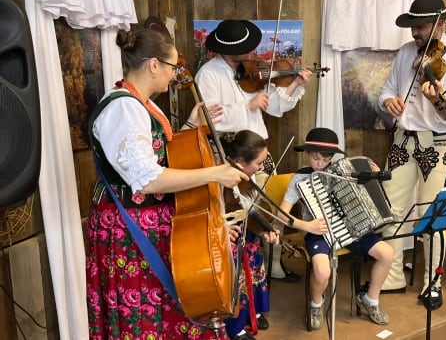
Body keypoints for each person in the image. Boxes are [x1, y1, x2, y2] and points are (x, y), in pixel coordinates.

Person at [85, 28, 249, 339]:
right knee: (146, 312)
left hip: (151, 220)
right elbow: (147, 179)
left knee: (166, 310)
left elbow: (157, 154)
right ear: (154, 65)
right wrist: (215, 173)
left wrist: (190, 125)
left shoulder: (141, 102)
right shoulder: (124, 107)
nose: (175, 75)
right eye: (173, 67)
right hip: (130, 227)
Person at [195, 19, 313, 283]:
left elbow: (275, 107)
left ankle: (273, 265)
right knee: (241, 209)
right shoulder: (208, 74)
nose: (253, 51)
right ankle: (239, 275)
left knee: (268, 206)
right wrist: (247, 106)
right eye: (246, 47)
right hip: (233, 155)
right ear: (227, 49)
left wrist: (295, 84)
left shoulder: (251, 69)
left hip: (260, 152)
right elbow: (209, 120)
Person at [377, 0, 446, 310]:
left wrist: (439, 100)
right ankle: (390, 278)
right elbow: (388, 89)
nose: (416, 32)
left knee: (433, 214)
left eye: (422, 26)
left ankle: (433, 282)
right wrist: (387, 102)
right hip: (404, 138)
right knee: (391, 208)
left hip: (439, 141)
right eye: (414, 26)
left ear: (440, 24)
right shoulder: (406, 53)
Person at [276, 127, 394, 329]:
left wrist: (373, 175)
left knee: (387, 254)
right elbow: (280, 214)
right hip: (318, 231)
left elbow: (368, 197)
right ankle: (316, 303)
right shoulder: (300, 178)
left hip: (353, 227)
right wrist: (307, 226)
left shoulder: (346, 172)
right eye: (315, 158)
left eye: (325, 159)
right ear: (307, 154)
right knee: (323, 272)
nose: (320, 164)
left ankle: (370, 299)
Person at [220, 130, 281, 340]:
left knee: (254, 275)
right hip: (234, 240)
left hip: (250, 237)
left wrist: (265, 228)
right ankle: (236, 327)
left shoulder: (247, 177)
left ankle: (253, 312)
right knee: (240, 282)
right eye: (259, 162)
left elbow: (254, 210)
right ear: (238, 161)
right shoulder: (223, 180)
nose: (262, 167)